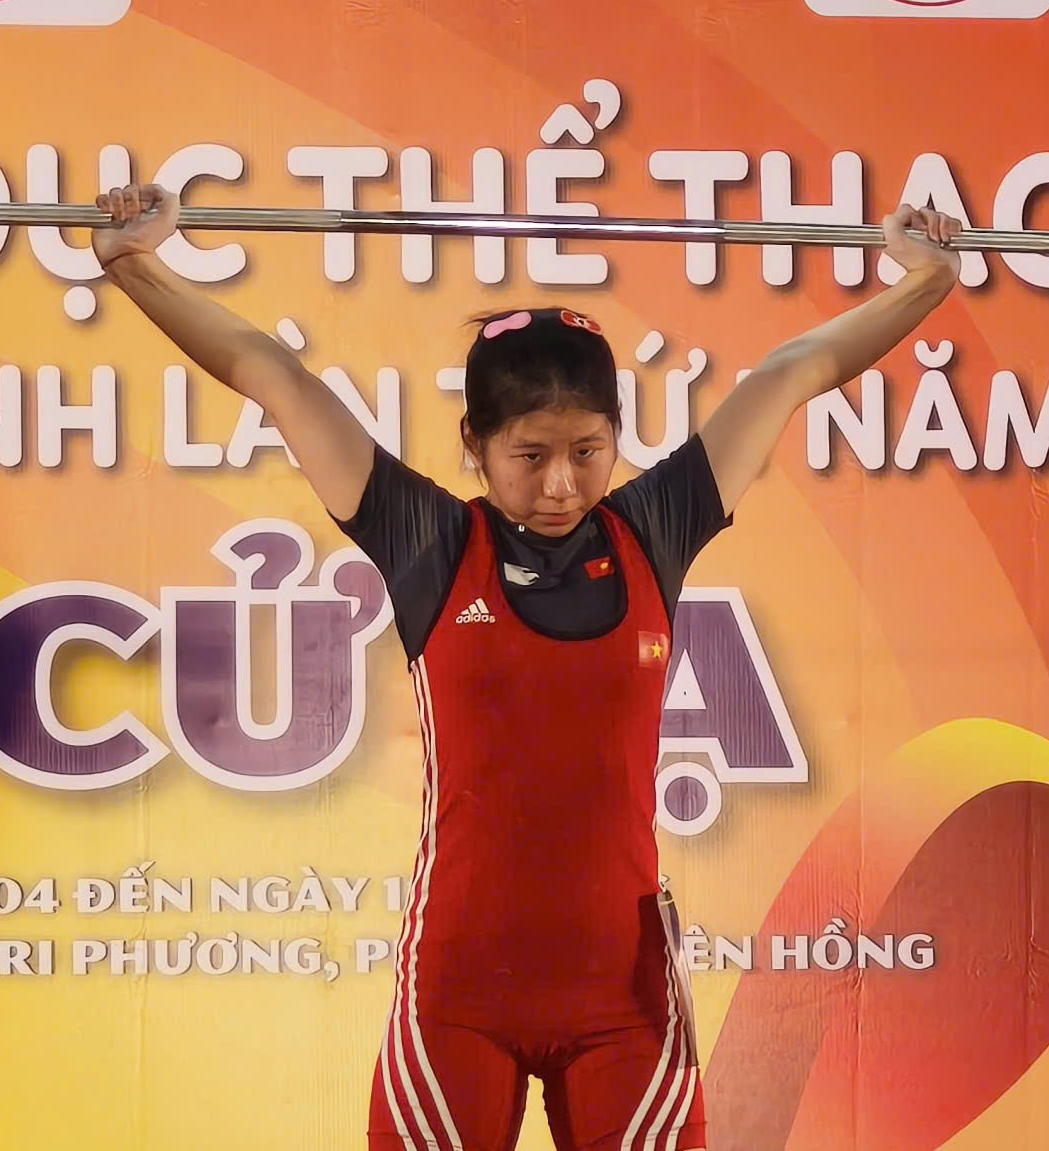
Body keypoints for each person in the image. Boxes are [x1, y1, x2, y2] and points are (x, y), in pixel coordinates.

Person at [94, 185, 963, 1151]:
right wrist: (134, 263)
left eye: (588, 451)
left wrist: (925, 282)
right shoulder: (427, 539)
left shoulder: (655, 528)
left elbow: (793, 373)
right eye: (529, 454)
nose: (560, 483)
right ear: (476, 444)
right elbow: (274, 377)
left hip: (626, 1004)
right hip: (458, 997)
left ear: (618, 437)